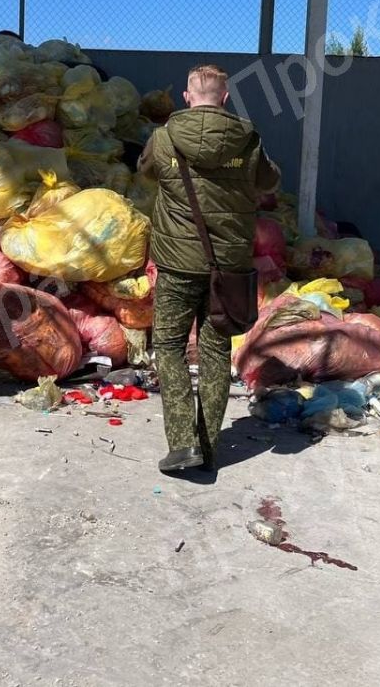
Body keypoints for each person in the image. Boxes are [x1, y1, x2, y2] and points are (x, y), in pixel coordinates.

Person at [139, 64, 281, 475]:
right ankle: (209, 447)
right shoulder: (248, 139)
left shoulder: (164, 138)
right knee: (217, 350)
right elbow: (269, 182)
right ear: (225, 96)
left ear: (186, 97)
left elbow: (145, 171)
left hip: (177, 263)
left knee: (169, 346)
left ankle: (182, 443)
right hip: (230, 265)